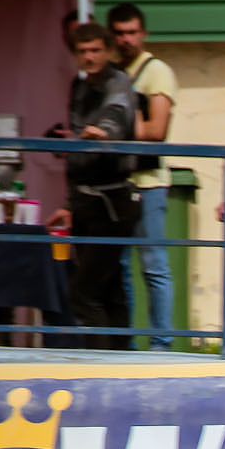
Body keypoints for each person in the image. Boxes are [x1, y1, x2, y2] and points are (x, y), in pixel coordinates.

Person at [52, 22, 141, 349]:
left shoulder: (119, 81)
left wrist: (102, 131)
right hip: (86, 200)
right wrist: (67, 204)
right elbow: (78, 146)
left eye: (95, 50)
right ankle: (121, 360)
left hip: (115, 200)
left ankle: (101, 364)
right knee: (109, 286)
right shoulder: (78, 87)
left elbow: (117, 113)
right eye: (83, 51)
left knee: (84, 291)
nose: (89, 57)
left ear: (107, 51)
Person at [105, 4, 178, 349]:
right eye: (119, 33)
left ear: (143, 34)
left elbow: (157, 129)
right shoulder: (108, 74)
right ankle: (125, 344)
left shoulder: (155, 71)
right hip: (114, 183)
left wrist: (112, 125)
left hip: (148, 182)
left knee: (153, 266)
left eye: (131, 32)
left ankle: (161, 343)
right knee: (118, 268)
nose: (125, 40)